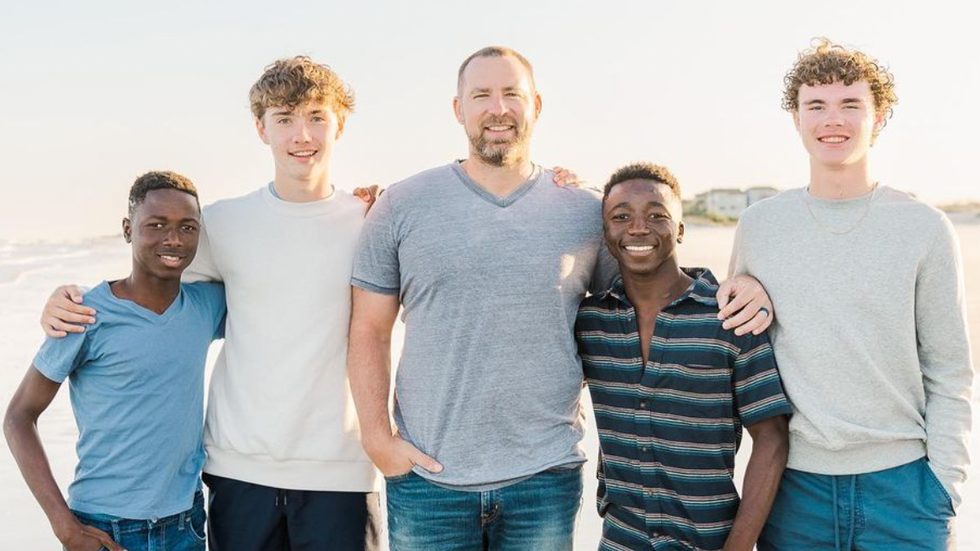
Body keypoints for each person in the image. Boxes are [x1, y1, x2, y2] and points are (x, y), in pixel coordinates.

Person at [36, 55, 581, 551]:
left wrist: (559, 190)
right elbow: (152, 284)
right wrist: (66, 299)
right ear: (261, 129)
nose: (302, 135)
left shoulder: (373, 218)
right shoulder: (221, 224)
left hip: (341, 471)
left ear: (339, 125)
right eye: (284, 119)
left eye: (317, 117)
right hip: (238, 470)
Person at [347, 45, 775, 551]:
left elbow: (652, 286)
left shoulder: (584, 209)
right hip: (428, 481)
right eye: (481, 95)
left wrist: (741, 284)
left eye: (512, 94)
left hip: (545, 481)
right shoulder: (402, 204)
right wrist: (377, 438)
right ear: (458, 108)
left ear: (536, 106)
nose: (498, 108)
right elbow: (369, 328)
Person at [730, 39, 974, 550]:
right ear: (796, 118)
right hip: (793, 491)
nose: (832, 120)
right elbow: (736, 350)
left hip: (905, 491)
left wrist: (944, 487)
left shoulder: (924, 228)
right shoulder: (759, 226)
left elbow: (950, 369)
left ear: (878, 116)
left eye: (850, 104)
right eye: (816, 105)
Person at [4, 171, 225, 551]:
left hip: (185, 526)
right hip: (103, 528)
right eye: (156, 225)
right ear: (127, 229)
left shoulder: (207, 305)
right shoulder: (84, 314)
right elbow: (18, 417)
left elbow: (272, 295)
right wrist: (64, 526)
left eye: (187, 227)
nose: (173, 239)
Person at [576, 163, 791, 551]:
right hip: (620, 539)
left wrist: (740, 545)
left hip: (709, 539)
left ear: (679, 229)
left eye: (656, 215)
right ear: (605, 233)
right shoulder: (591, 322)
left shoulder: (729, 317)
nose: (638, 228)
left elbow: (771, 437)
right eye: (621, 216)